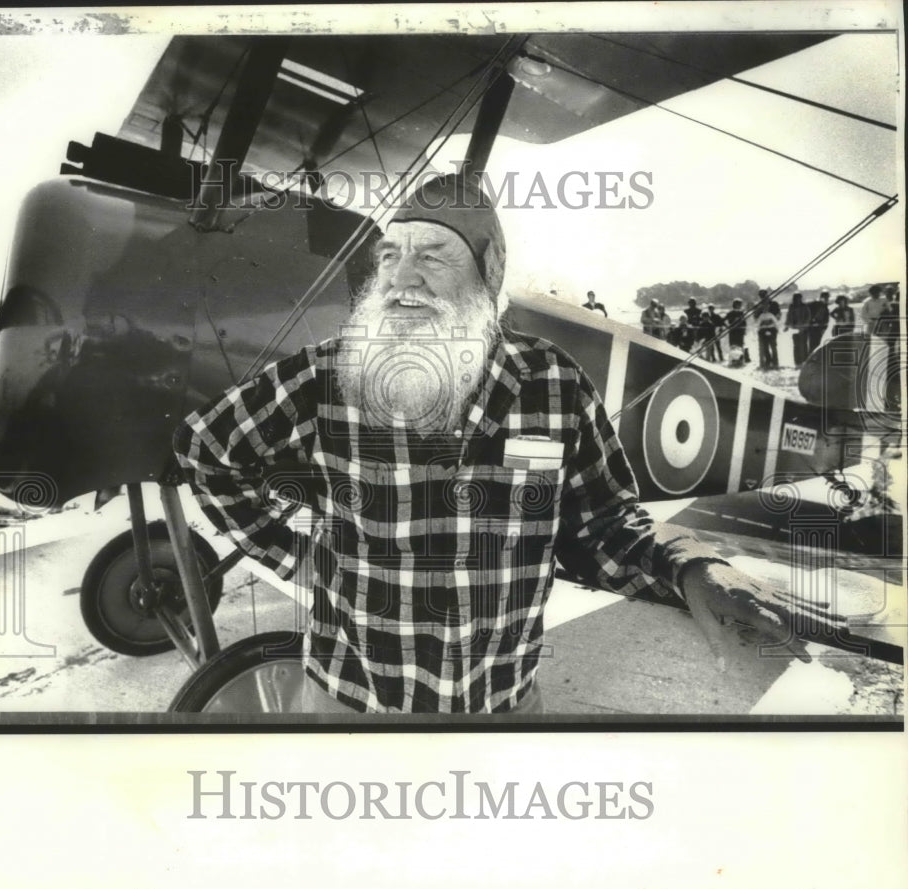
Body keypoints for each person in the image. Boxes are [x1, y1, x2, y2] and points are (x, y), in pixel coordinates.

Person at [174, 172, 823, 714]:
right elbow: (209, 450)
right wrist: (296, 559)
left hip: (503, 705)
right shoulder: (326, 373)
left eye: (432, 255)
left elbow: (601, 521)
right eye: (391, 254)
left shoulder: (552, 382)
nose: (403, 277)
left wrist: (690, 564)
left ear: (489, 270)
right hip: (352, 703)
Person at [783, 292, 811, 366]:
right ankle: (797, 362)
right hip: (794, 329)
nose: (797, 300)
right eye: (796, 299)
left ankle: (805, 361)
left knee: (804, 345)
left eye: (799, 299)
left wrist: (804, 326)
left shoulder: (805, 306)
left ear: (801, 299)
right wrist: (786, 326)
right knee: (796, 345)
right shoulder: (792, 307)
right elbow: (789, 316)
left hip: (804, 329)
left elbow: (808, 317)